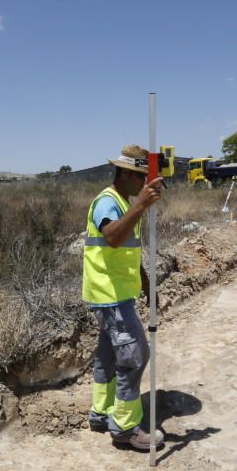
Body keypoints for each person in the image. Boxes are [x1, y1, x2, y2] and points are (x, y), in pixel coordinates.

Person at [82, 144, 165, 451]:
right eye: (140, 177)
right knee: (135, 356)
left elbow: (128, 247)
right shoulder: (108, 202)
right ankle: (125, 428)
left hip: (117, 293)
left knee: (108, 355)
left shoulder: (123, 201)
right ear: (127, 173)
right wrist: (140, 205)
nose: (144, 184)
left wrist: (145, 280)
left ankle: (101, 414)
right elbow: (113, 237)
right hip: (110, 295)